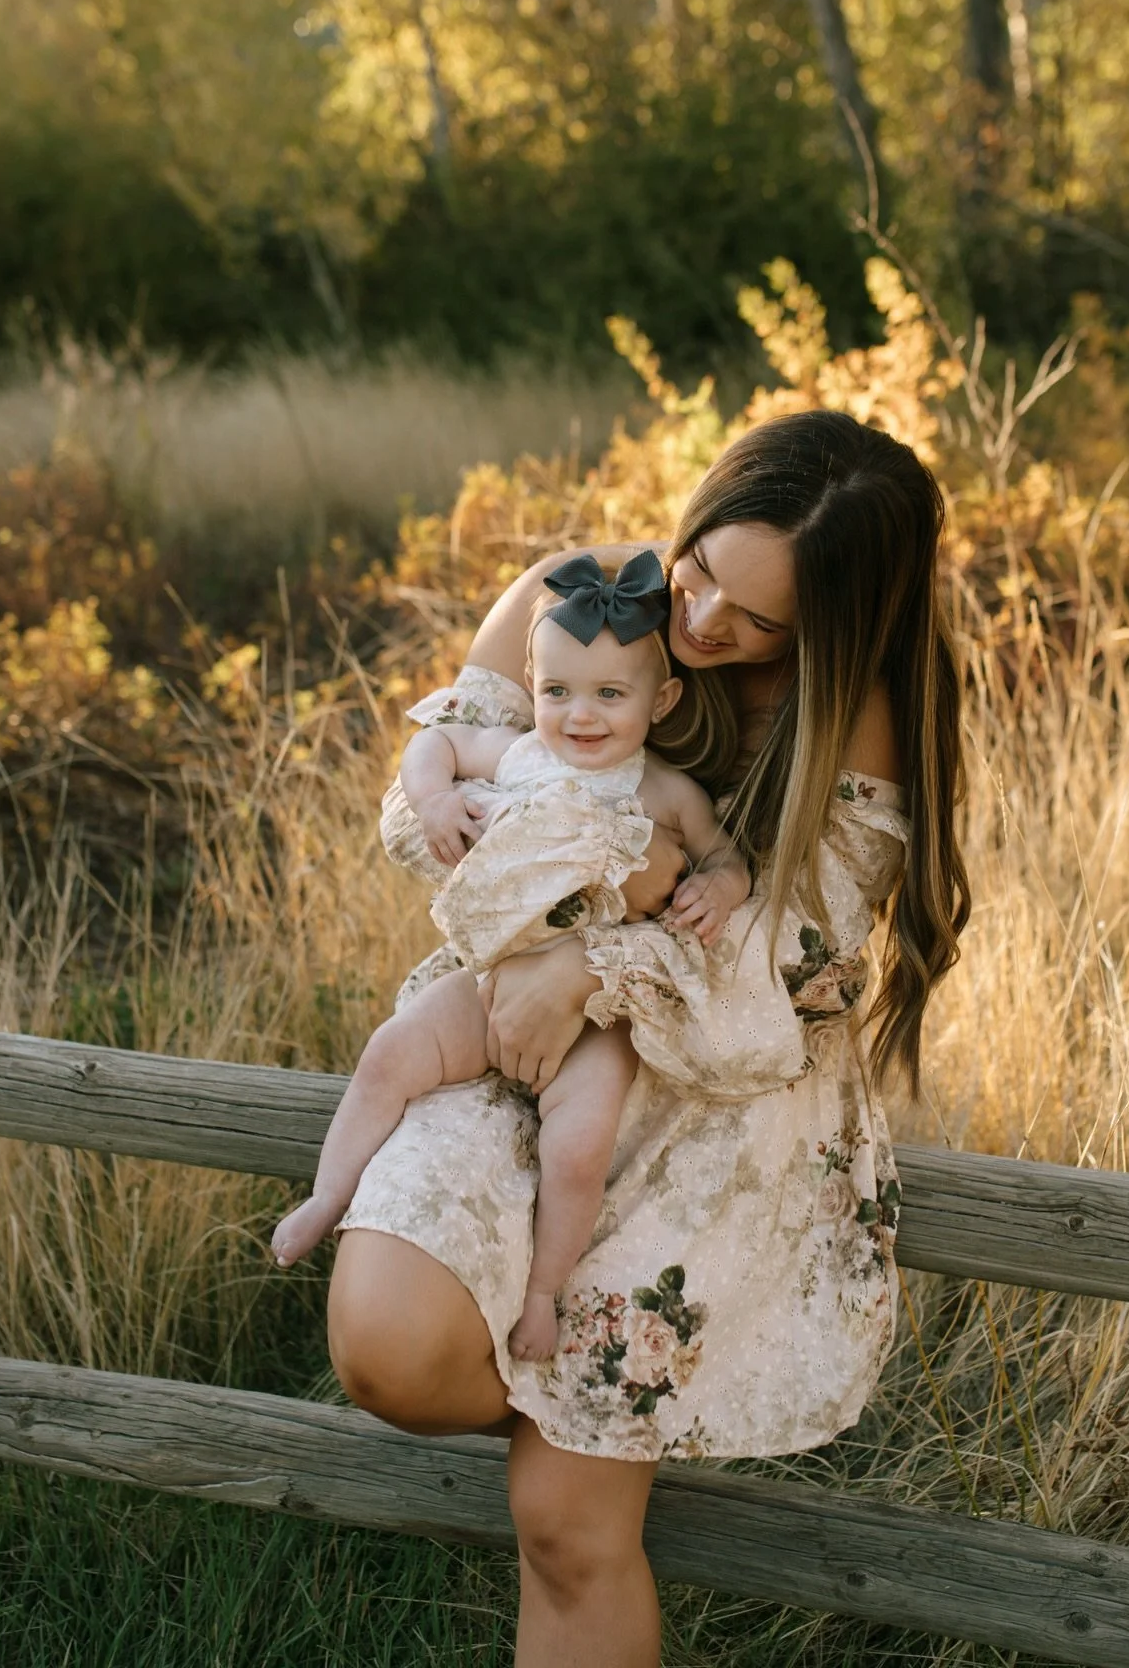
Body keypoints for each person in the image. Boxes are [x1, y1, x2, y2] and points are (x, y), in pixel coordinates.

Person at [327, 410, 970, 1668]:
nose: (703, 622)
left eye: (756, 622)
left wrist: (596, 959)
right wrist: (587, 897)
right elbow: (436, 824)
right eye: (700, 570)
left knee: (566, 1521)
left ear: (831, 632)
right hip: (517, 1027)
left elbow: (803, 971)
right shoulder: (571, 608)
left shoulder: (856, 716)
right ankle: (573, 1397)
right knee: (389, 1349)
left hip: (722, 1099)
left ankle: (585, 1434)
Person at [270, 552, 750, 1363]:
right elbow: (436, 743)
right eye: (558, 692)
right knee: (392, 1054)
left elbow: (725, 859)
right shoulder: (522, 754)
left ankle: (540, 1297)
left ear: (660, 700)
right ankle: (328, 1195)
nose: (581, 716)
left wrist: (724, 891)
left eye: (610, 694)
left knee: (580, 1142)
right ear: (532, 686)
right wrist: (432, 798)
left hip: (597, 1010)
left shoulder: (663, 792)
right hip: (490, 981)